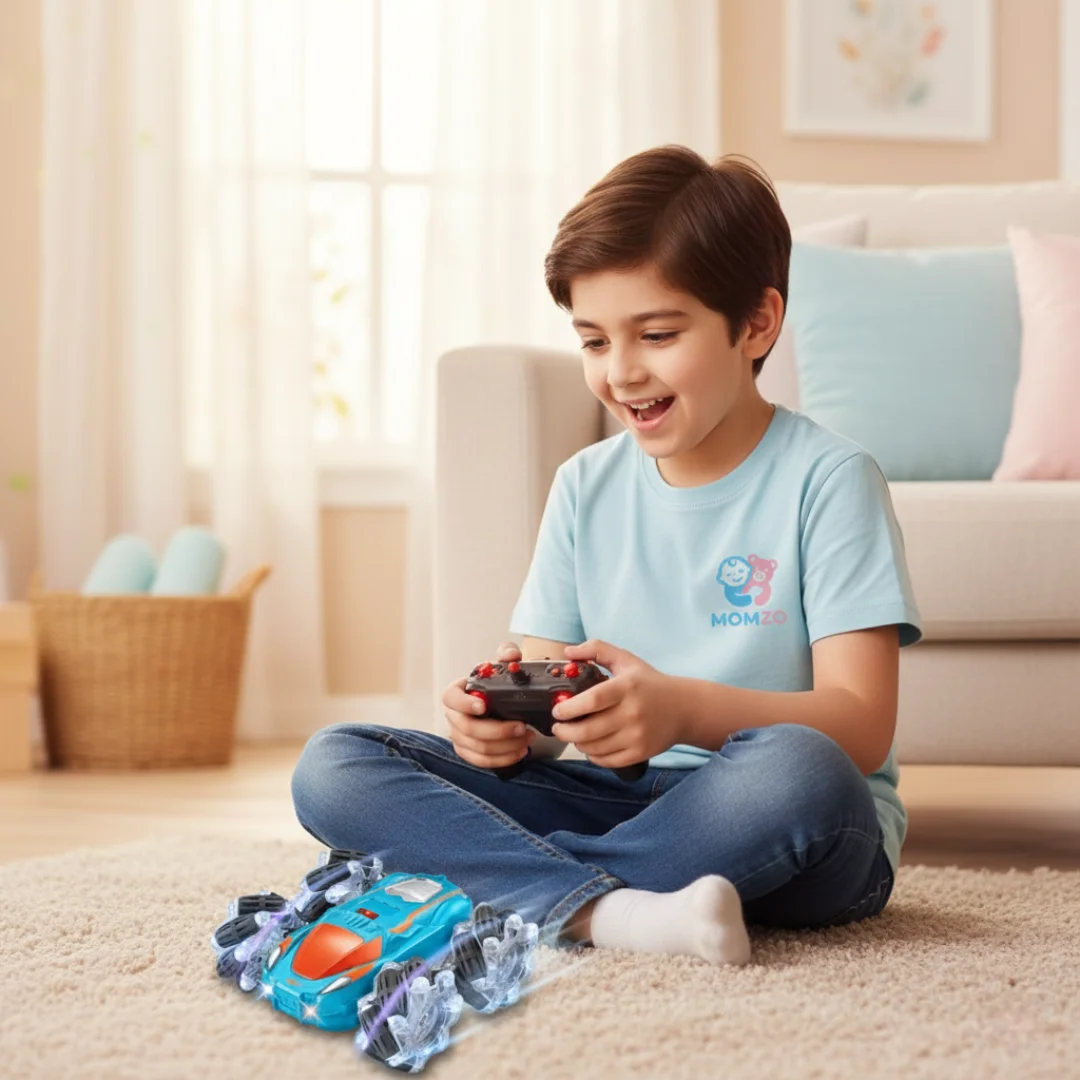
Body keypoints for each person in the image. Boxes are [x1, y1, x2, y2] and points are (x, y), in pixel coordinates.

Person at [291, 145, 922, 967]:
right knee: (336, 763)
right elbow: (551, 716)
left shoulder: (830, 480)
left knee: (802, 768)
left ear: (758, 323)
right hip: (614, 807)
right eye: (593, 341)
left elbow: (862, 728)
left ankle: (498, 885)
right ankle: (613, 912)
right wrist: (504, 730)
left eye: (657, 334)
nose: (622, 373)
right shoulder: (584, 484)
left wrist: (683, 712)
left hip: (784, 823)